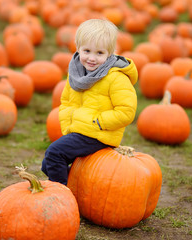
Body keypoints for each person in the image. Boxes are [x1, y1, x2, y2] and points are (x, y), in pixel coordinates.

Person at [41, 19, 138, 185]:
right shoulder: (77, 73)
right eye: (87, 51)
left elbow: (126, 111)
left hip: (99, 133)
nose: (92, 58)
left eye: (99, 53)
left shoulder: (115, 77)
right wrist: (68, 126)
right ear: (78, 48)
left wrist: (98, 122)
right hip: (80, 130)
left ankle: (61, 196)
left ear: (110, 53)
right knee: (47, 164)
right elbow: (66, 101)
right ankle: (76, 186)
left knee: (55, 154)